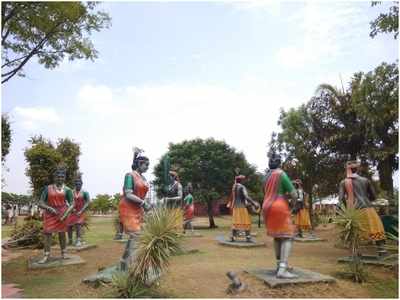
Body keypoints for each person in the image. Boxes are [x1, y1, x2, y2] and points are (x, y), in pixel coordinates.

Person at [263, 153, 299, 279]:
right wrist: (293, 205)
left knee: (277, 236)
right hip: (279, 205)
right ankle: (283, 269)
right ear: (279, 163)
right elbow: (294, 194)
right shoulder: (281, 174)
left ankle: (279, 265)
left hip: (266, 206)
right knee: (288, 236)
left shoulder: (265, 176)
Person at [338, 160, 387, 256]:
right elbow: (373, 197)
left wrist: (346, 208)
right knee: (375, 228)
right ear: (357, 169)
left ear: (347, 170)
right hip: (368, 208)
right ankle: (382, 251)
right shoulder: (365, 180)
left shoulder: (344, 182)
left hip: (354, 211)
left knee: (355, 231)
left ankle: (355, 253)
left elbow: (341, 199)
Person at [119, 148, 152, 271]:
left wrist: (146, 204)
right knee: (136, 234)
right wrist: (143, 203)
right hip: (128, 208)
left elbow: (142, 194)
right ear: (139, 164)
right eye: (146, 165)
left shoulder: (143, 179)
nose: (147, 167)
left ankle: (125, 261)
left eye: (148, 165)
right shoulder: (129, 176)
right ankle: (130, 263)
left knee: (137, 235)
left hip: (138, 209)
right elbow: (128, 194)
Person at [37, 165, 74, 263]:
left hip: (63, 213)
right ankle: (46, 255)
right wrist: (49, 208)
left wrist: (65, 214)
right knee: (47, 233)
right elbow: (40, 202)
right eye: (58, 176)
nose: (60, 178)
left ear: (64, 178)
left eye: (62, 177)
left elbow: (72, 204)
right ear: (55, 177)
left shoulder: (68, 190)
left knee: (62, 233)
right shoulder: (48, 188)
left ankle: (64, 253)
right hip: (50, 214)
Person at [227, 175, 260, 242]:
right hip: (242, 207)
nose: (244, 181)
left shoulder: (234, 187)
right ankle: (248, 238)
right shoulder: (242, 187)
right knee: (246, 222)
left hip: (235, 208)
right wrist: (254, 203)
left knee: (235, 222)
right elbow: (246, 196)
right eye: (243, 179)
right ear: (241, 180)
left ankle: (233, 237)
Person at [67, 172, 90, 247]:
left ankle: (78, 239)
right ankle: (70, 240)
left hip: (80, 211)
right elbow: (67, 200)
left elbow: (87, 202)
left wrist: (81, 211)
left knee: (78, 224)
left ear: (81, 184)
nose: (78, 185)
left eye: (79, 184)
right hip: (72, 211)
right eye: (76, 184)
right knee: (69, 225)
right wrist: (71, 208)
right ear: (75, 184)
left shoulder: (85, 192)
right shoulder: (71, 192)